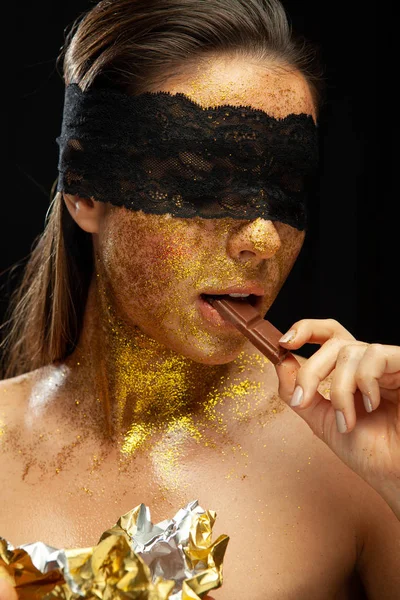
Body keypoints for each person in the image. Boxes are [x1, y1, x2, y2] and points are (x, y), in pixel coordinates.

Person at [0, 0, 399, 598]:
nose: (265, 240)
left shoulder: (353, 457)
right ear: (84, 190)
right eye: (201, 183)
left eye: (287, 189)